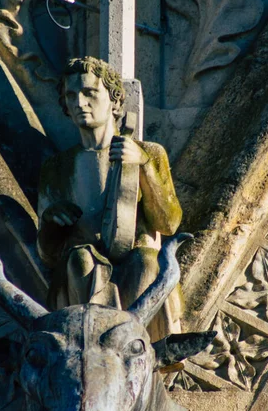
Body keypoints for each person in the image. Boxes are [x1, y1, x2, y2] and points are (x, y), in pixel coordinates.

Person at [37, 56, 183, 339]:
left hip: (137, 259)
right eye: (71, 95)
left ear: (115, 101)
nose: (79, 102)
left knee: (145, 263)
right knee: (79, 260)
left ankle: (139, 344)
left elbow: (168, 223)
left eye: (89, 93)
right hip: (82, 266)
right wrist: (52, 223)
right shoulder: (56, 168)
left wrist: (144, 168)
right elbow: (46, 253)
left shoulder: (149, 152)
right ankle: (89, 342)